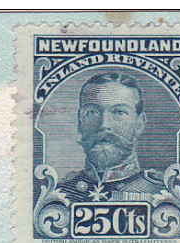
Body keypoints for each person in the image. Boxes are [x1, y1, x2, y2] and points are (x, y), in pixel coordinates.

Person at [59, 71, 165, 204]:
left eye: (119, 112)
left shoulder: (160, 193)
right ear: (80, 122)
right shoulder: (60, 193)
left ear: (139, 123)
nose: (104, 125)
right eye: (92, 112)